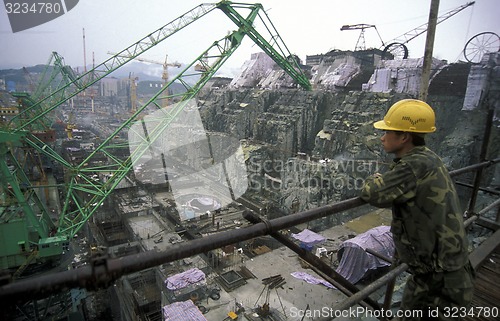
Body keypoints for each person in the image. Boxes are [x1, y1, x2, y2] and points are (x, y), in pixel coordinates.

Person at [360, 99, 474, 320]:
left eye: (388, 132)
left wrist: (373, 177)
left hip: (439, 278)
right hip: (445, 271)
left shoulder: (412, 166)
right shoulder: (429, 158)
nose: (382, 138)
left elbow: (373, 193)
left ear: (404, 137)